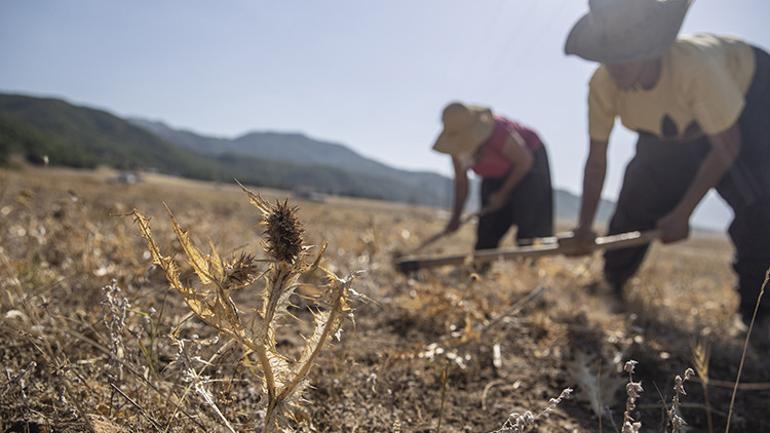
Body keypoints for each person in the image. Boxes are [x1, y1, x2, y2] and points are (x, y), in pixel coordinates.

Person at [564, 0, 770, 326]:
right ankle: (611, 283)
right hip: (677, 126)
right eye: (609, 54)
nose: (615, 66)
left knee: (760, 203)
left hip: (751, 103)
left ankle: (759, 316)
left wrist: (683, 212)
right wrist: (585, 228)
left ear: (651, 47)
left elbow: (728, 144)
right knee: (641, 190)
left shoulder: (694, 68)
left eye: (626, 53)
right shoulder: (603, 85)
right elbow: (596, 161)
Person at [432, 102, 554, 253]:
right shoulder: (455, 149)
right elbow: (461, 182)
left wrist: (503, 193)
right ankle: (481, 264)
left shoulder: (498, 132)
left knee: (529, 227)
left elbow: (524, 161)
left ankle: (530, 263)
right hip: (495, 174)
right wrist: (456, 217)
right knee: (488, 228)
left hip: (528, 166)